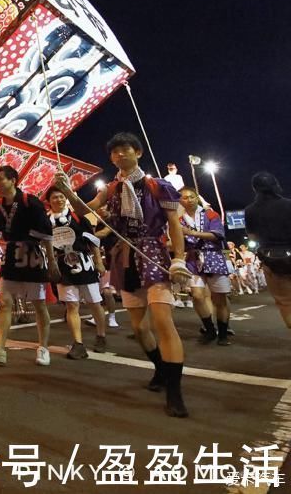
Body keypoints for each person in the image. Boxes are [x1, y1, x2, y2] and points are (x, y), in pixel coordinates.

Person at [54, 132, 192, 418]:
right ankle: (161, 370)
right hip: (124, 257)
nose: (119, 155)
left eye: (125, 150)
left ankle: (175, 393)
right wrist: (68, 193)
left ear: (138, 152)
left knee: (163, 322)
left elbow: (174, 224)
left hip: (152, 253)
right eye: (114, 152)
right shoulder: (112, 188)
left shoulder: (159, 186)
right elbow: (86, 211)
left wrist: (179, 258)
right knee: (140, 328)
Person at [0, 166, 59, 366]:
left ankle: (43, 348)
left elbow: (47, 235)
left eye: (1, 179)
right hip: (11, 256)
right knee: (4, 302)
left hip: (32, 257)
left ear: (13, 180)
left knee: (38, 304)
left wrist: (52, 262)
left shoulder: (31, 202)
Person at [45, 187, 108, 359]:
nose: (58, 200)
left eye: (61, 197)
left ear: (66, 199)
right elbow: (46, 244)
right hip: (62, 266)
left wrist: (99, 262)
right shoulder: (46, 221)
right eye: (54, 198)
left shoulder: (78, 217)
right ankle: (78, 344)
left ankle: (101, 336)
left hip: (85, 264)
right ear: (49, 202)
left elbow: (93, 241)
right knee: (72, 305)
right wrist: (51, 264)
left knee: (95, 303)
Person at [178, 187, 232, 345]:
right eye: (185, 198)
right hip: (193, 260)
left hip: (213, 256)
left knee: (220, 298)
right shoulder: (179, 220)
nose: (189, 200)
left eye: (192, 197)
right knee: (197, 295)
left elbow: (218, 234)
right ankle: (209, 329)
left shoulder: (210, 214)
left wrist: (192, 233)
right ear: (180, 201)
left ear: (197, 198)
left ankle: (223, 333)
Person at [245, 172, 291, 329]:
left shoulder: (250, 210)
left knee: (285, 302)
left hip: (272, 261)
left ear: (255, 189)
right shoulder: (288, 204)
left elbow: (252, 237)